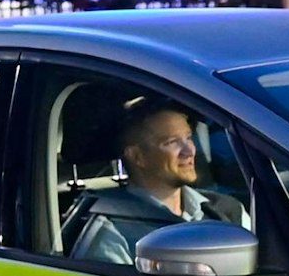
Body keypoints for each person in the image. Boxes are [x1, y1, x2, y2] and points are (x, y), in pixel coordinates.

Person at [72, 97, 246, 265]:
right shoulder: (111, 229)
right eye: (172, 142)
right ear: (137, 156)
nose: (189, 151)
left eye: (188, 138)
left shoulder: (228, 209)